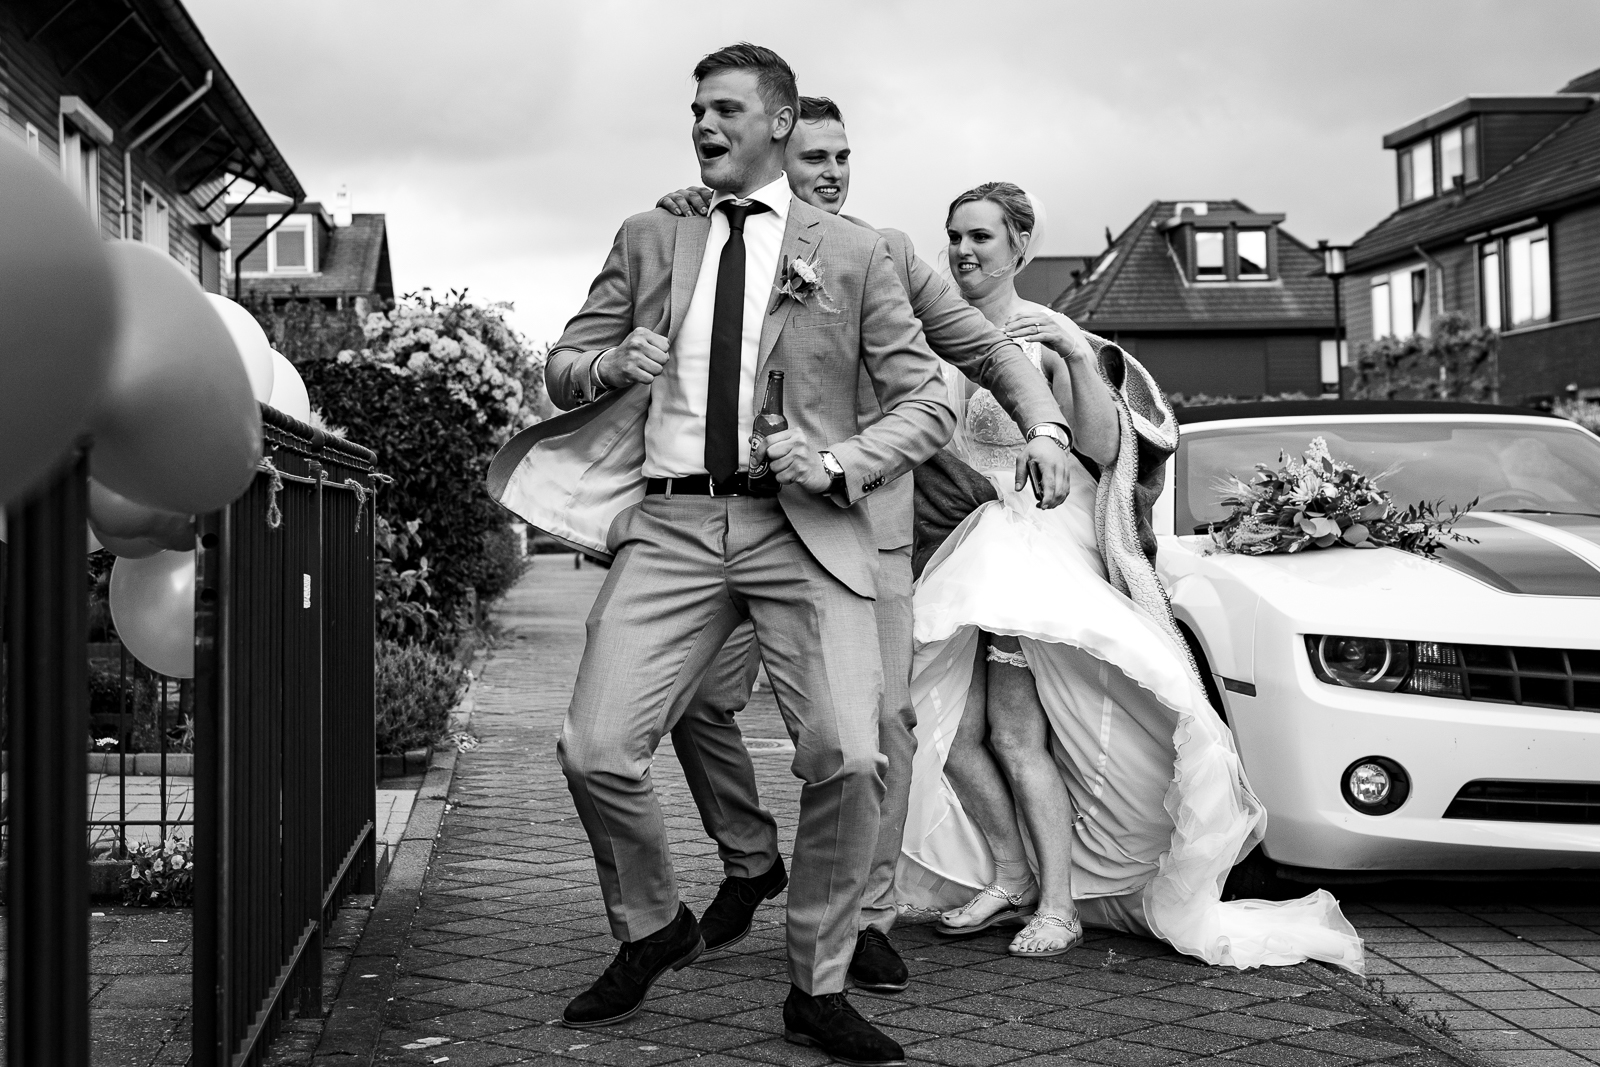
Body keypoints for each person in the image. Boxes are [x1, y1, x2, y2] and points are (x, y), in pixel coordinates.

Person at [525, 44, 954, 1067]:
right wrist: (606, 361)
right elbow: (561, 365)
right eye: (696, 111)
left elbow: (928, 401)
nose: (703, 126)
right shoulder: (649, 234)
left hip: (800, 527)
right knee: (593, 748)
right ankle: (652, 924)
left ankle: (818, 983)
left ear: (776, 122)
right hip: (670, 528)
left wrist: (838, 460)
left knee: (849, 752)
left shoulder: (852, 252)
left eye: (724, 109)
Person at [652, 97, 1072, 994]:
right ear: (772, 158)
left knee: (882, 727)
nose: (835, 173)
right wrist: (681, 219)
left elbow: (988, 350)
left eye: (844, 156)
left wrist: (1046, 426)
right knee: (692, 698)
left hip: (861, 527)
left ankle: (869, 913)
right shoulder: (712, 237)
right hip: (733, 526)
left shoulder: (884, 253)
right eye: (815, 157)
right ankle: (750, 859)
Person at [899, 181, 1367, 973]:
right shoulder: (940, 337)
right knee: (944, 726)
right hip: (959, 552)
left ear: (1020, 246)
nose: (962, 250)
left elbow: (1101, 447)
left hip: (1029, 553)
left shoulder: (1045, 337)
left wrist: (1078, 352)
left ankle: (1057, 904)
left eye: (981, 236)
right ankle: (1010, 873)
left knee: (1016, 734)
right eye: (954, 235)